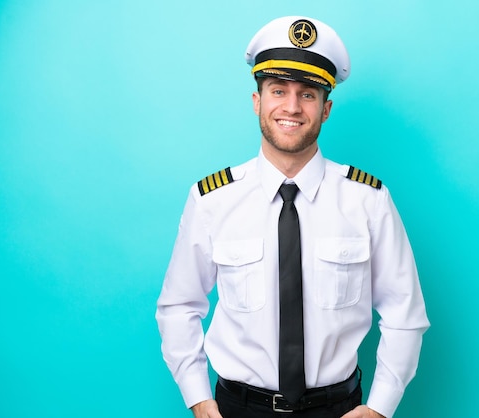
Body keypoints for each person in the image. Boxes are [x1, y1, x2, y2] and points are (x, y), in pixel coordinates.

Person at [156, 15, 430, 418]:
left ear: (326, 109)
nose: (291, 106)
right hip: (238, 408)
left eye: (307, 94)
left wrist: (379, 408)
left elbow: (405, 314)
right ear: (257, 102)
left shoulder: (367, 200)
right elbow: (179, 306)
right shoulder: (212, 199)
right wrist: (198, 398)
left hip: (338, 409)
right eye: (277, 90)